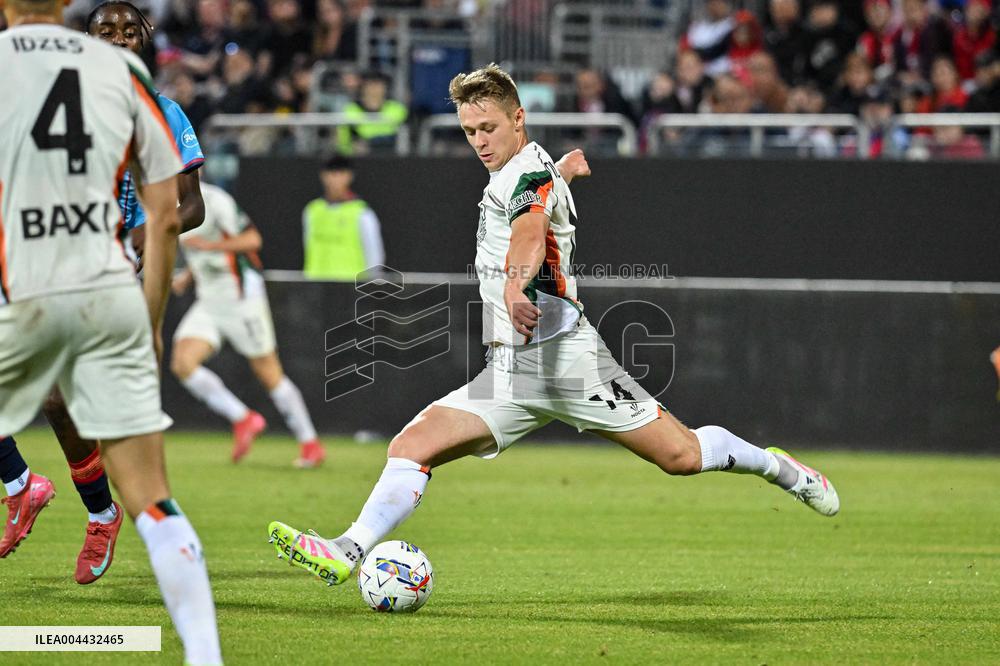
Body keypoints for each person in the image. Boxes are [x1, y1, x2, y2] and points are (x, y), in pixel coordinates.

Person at [266, 63, 839, 588]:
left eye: (488, 127)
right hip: (512, 370)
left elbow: (530, 233)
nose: (479, 141)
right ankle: (347, 549)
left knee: (682, 456)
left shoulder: (525, 178)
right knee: (411, 445)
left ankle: (781, 469)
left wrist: (516, 285)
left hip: (569, 361)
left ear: (518, 118)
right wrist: (563, 172)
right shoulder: (530, 169)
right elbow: (539, 194)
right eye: (469, 131)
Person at [0, 0, 221, 661]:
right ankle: (55, 496)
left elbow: (185, 208)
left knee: (64, 407)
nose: (120, 40)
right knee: (84, 429)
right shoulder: (93, 93)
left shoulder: (148, 105)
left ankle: (37, 491)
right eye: (107, 31)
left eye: (130, 31)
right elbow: (157, 216)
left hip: (72, 278)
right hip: (77, 277)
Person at [171, 184, 327, 468]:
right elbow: (199, 248)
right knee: (183, 362)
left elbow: (252, 240)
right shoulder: (167, 202)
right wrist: (189, 276)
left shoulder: (216, 200)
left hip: (241, 297)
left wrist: (209, 247)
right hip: (209, 299)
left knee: (268, 372)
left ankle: (310, 444)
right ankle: (243, 418)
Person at [302, 155, 385, 280]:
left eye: (341, 174)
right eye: (332, 173)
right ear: (323, 176)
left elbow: (374, 257)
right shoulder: (312, 210)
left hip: (350, 286)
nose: (335, 179)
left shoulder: (362, 213)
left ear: (349, 176)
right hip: (315, 285)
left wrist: (365, 285)